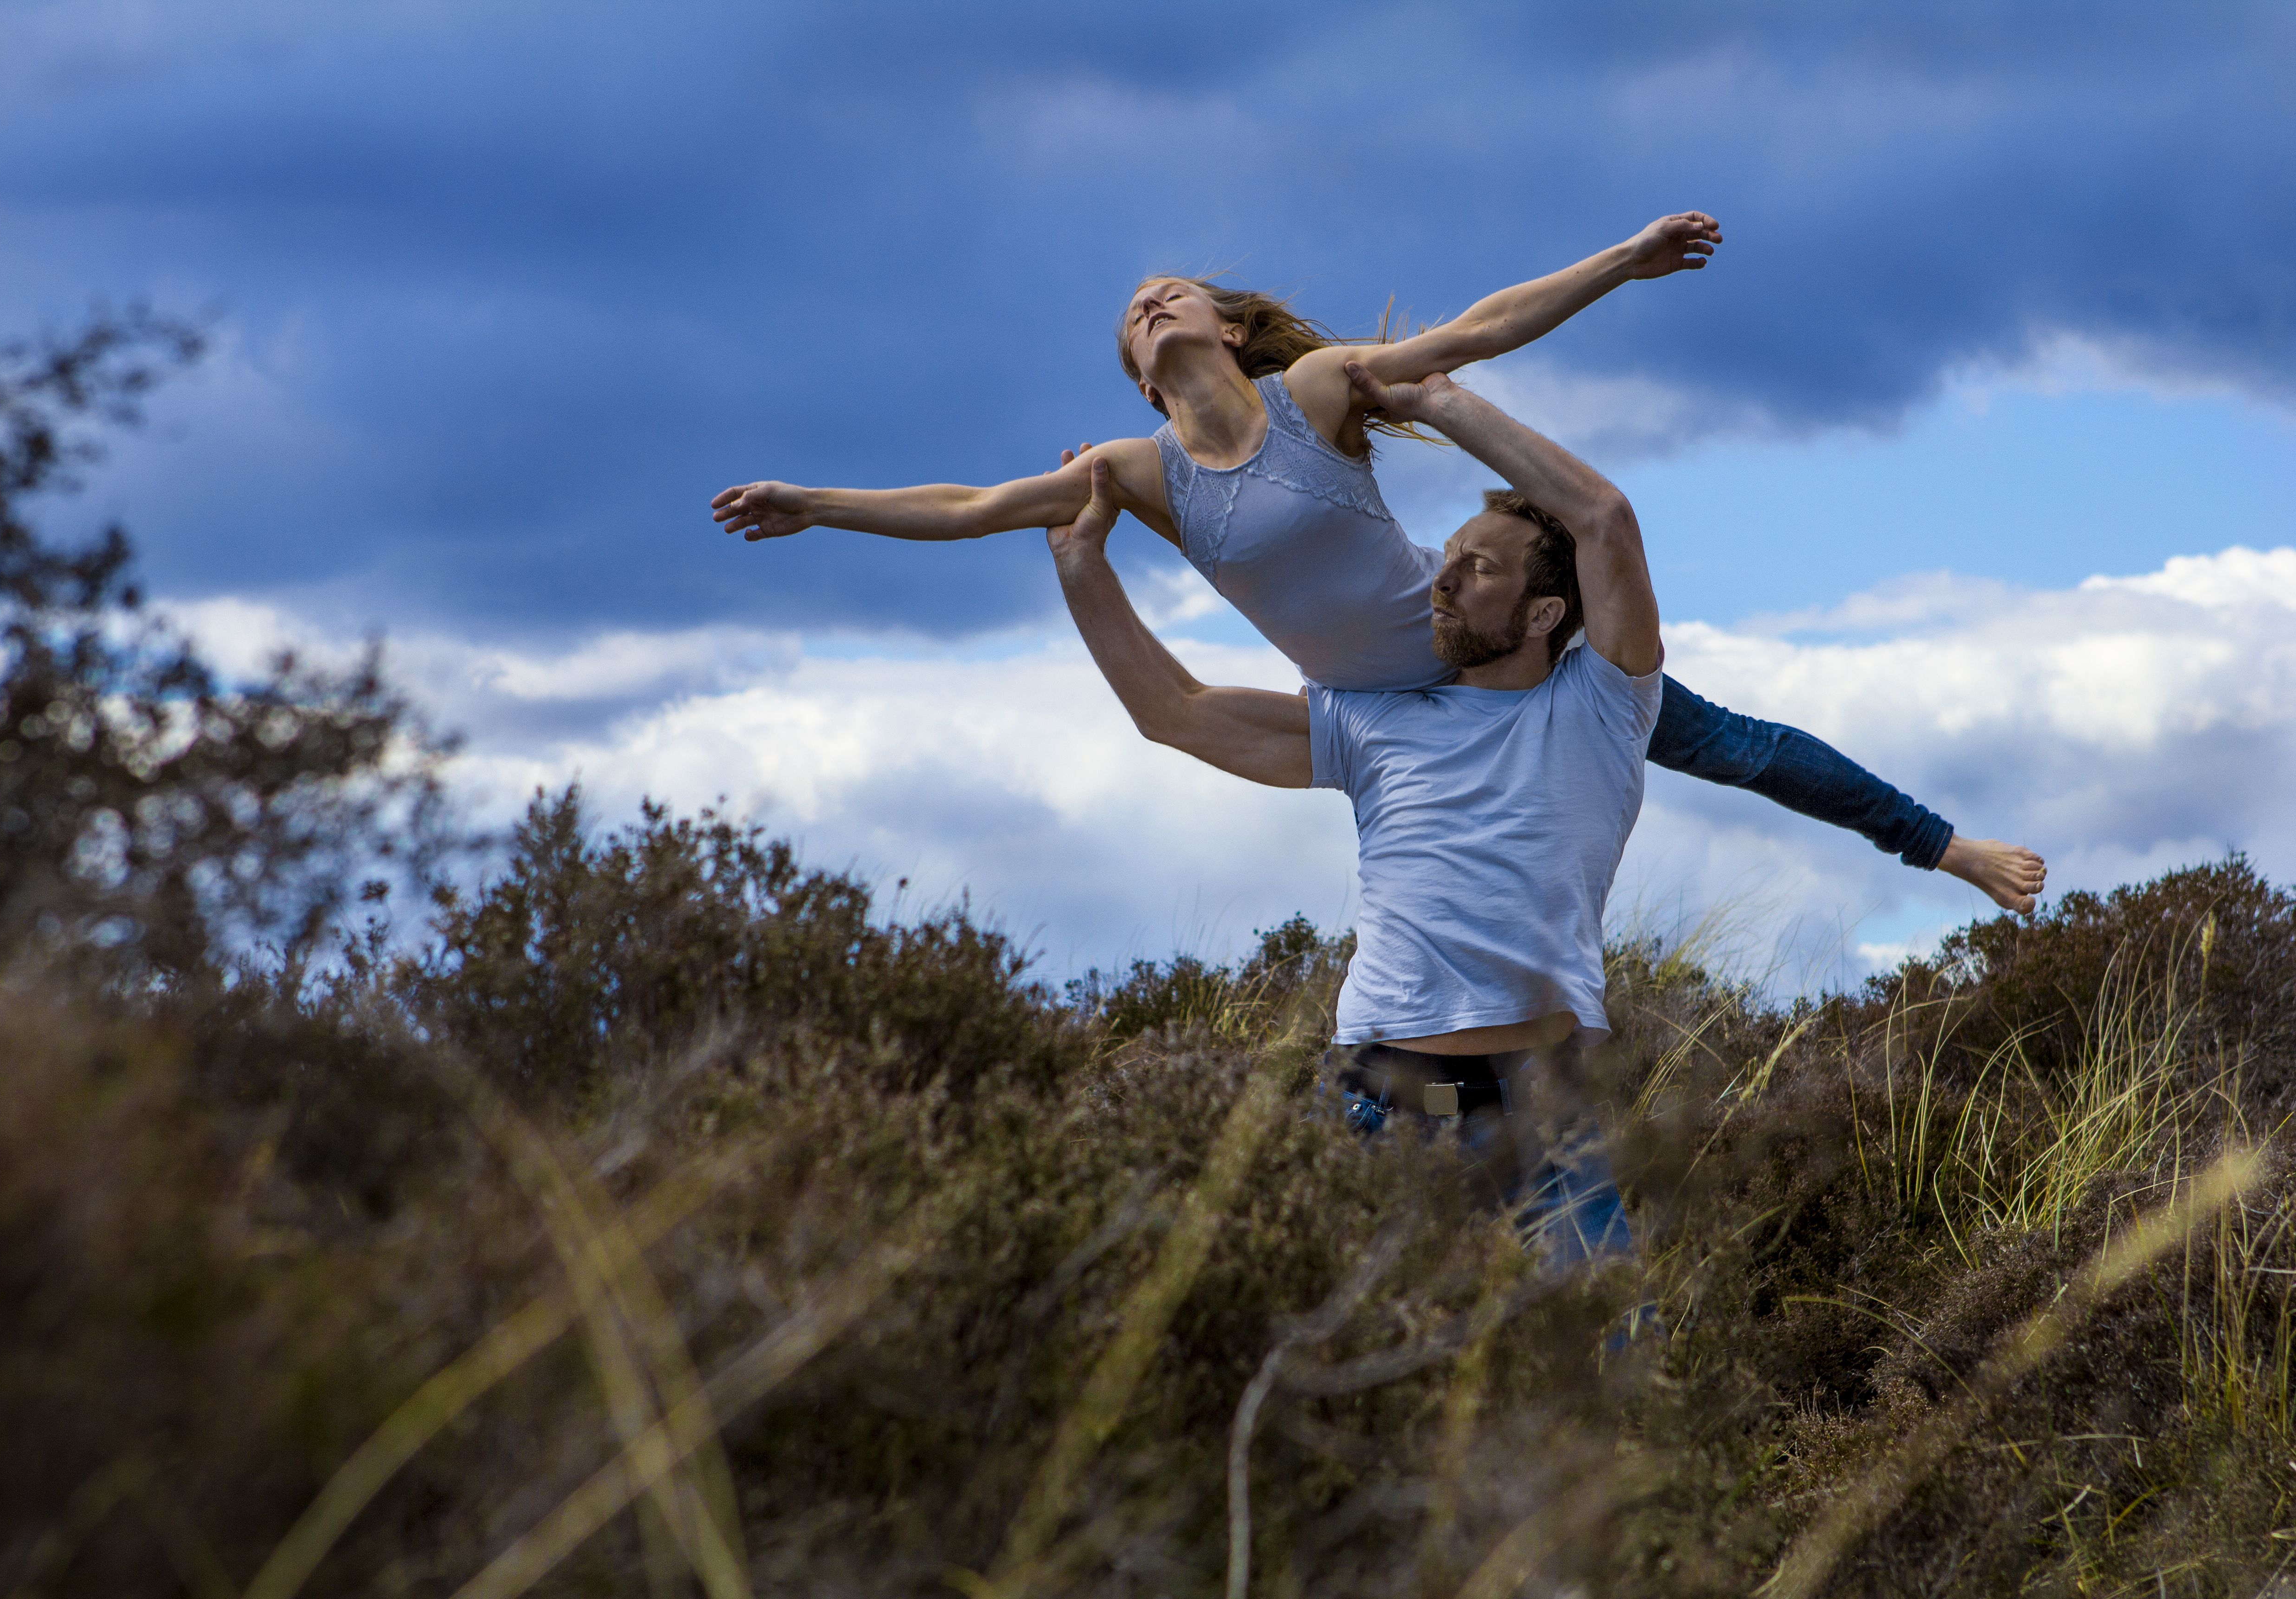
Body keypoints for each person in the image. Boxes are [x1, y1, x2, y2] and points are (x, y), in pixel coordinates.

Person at [711, 215, 2045, 911]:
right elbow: (967, 504)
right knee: (1219, 754)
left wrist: (1626, 266)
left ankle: (1949, 848)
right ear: (1135, 368)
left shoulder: (1323, 392)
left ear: (1232, 330)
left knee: (1733, 749)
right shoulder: (1135, 475)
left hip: (1497, 661)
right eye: (1131, 311)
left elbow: (1473, 330)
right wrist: (817, 503)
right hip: (1366, 719)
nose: (1148, 304)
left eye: (1172, 291)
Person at [1046, 373, 1669, 1263]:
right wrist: (1082, 569)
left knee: (1610, 1365)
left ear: (1544, 614)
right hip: (1378, 1101)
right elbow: (1174, 712)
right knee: (1360, 1372)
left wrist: (1436, 401)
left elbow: (1605, 517)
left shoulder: (1607, 705)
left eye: (1477, 567)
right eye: (1445, 555)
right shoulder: (1372, 719)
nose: (1440, 580)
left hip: (1544, 1111)